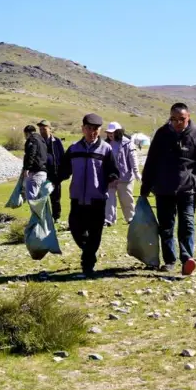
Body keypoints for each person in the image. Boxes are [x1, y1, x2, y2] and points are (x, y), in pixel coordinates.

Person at [140, 103, 196, 276]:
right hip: (163, 189)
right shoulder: (161, 135)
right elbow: (151, 162)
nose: (177, 123)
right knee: (166, 227)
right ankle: (169, 261)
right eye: (173, 119)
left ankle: (187, 258)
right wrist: (145, 186)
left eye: (181, 119)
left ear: (188, 117)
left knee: (187, 225)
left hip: (187, 190)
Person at [59, 114, 120, 277]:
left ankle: (87, 264)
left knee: (95, 233)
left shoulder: (106, 149)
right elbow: (63, 170)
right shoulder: (73, 149)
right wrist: (52, 180)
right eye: (89, 128)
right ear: (83, 129)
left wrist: (112, 178)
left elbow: (113, 170)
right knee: (75, 228)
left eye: (96, 129)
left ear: (99, 130)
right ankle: (89, 252)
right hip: (77, 198)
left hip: (97, 199)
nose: (92, 132)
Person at [104, 122, 140, 227]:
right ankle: (108, 219)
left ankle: (130, 218)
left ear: (118, 132)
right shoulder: (106, 144)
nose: (110, 135)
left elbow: (133, 159)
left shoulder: (128, 143)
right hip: (110, 177)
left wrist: (137, 172)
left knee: (127, 199)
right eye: (109, 133)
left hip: (125, 177)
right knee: (109, 199)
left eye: (112, 132)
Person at [37, 120, 64, 221]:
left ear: (50, 129)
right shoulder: (38, 142)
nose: (42, 131)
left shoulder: (56, 141)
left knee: (55, 198)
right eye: (40, 129)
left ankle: (56, 217)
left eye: (44, 129)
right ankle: (42, 217)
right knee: (41, 197)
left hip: (55, 174)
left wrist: (61, 175)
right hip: (41, 174)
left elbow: (62, 157)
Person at [20, 124, 48, 201]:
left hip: (35, 173)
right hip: (43, 172)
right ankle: (41, 213)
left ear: (27, 133)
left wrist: (27, 168)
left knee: (32, 199)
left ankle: (36, 213)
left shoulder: (32, 140)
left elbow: (31, 153)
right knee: (40, 199)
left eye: (25, 135)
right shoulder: (42, 140)